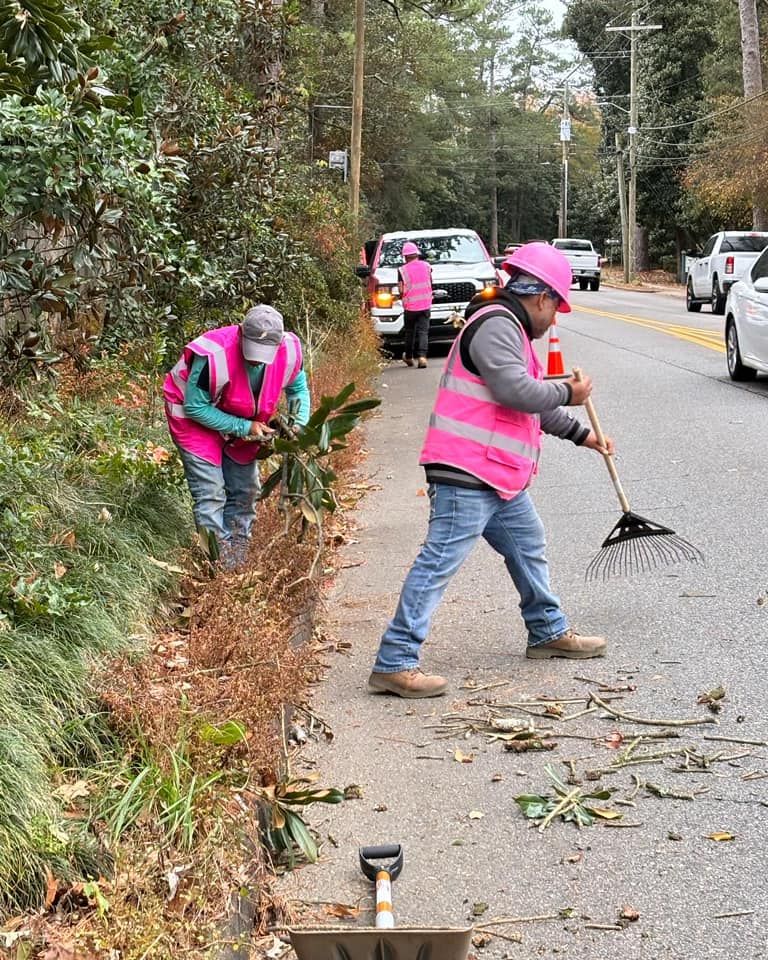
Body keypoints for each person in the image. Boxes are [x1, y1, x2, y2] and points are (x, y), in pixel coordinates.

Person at [368, 242, 615, 699]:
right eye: (555, 308)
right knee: (439, 562)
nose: (553, 320)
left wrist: (583, 435)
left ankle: (547, 631)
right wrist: (569, 394)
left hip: (497, 474)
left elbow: (530, 407)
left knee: (528, 545)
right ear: (541, 297)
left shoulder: (511, 329)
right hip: (466, 470)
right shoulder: (497, 325)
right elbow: (515, 391)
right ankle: (394, 662)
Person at [163, 305, 310, 570]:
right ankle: (217, 568)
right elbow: (194, 407)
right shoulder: (214, 355)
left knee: (245, 491)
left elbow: (298, 388)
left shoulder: (288, 352)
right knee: (211, 495)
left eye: (263, 356)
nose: (256, 361)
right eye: (252, 352)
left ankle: (235, 561)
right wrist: (244, 427)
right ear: (240, 333)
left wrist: (299, 424)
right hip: (193, 420)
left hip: (242, 419)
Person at [398, 241, 433, 369]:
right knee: (423, 331)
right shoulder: (427, 266)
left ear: (405, 256)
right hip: (425, 304)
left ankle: (408, 357)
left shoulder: (402, 270)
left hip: (410, 307)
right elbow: (430, 282)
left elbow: (401, 289)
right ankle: (422, 357)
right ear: (416, 254)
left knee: (410, 332)